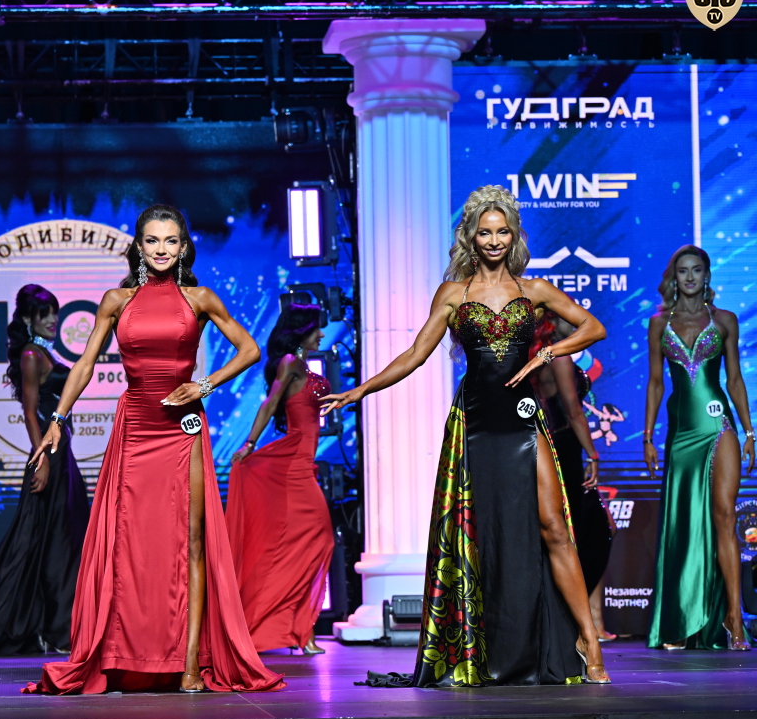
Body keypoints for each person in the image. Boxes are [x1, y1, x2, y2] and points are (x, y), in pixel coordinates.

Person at [321, 185, 611, 687]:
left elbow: (593, 328)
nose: (494, 240)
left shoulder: (535, 290)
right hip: (475, 425)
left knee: (554, 529)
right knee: (479, 537)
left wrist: (546, 354)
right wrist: (362, 389)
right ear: (471, 238)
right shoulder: (453, 294)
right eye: (485, 232)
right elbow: (415, 355)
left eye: (503, 232)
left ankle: (588, 640)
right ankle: (489, 645)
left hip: (522, 418)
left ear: (514, 236)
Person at [23, 205, 284, 694]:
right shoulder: (116, 300)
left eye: (170, 241)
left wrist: (203, 385)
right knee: (130, 547)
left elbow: (249, 349)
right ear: (139, 247)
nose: (161, 249)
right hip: (137, 427)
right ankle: (124, 657)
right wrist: (58, 419)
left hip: (182, 429)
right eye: (152, 240)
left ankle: (190, 665)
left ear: (183, 247)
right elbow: (83, 365)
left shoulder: (199, 298)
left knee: (191, 544)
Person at [0, 285, 90, 655]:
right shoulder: (30, 355)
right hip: (50, 455)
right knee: (52, 545)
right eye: (45, 314)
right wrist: (41, 460)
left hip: (62, 453)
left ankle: (55, 629)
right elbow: (29, 411)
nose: (54, 320)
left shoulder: (42, 352)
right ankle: (54, 632)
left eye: (55, 313)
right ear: (28, 319)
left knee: (63, 542)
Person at [643, 245, 755, 651]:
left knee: (724, 517)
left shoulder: (724, 320)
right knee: (684, 523)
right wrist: (647, 436)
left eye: (696, 270)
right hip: (681, 433)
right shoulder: (659, 323)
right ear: (674, 277)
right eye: (683, 271)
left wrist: (750, 432)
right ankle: (682, 618)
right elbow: (656, 383)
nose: (689, 277)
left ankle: (733, 618)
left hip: (718, 425)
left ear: (707, 275)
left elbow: (735, 380)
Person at [227, 303, 334, 655]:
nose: (322, 334)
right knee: (319, 539)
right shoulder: (290, 362)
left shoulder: (302, 364)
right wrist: (249, 444)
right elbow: (270, 404)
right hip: (293, 468)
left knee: (312, 545)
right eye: (317, 328)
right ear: (302, 330)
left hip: (305, 464)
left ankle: (302, 631)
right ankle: (285, 628)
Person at [530, 310, 615, 642]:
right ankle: (572, 620)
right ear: (553, 321)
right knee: (586, 532)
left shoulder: (542, 356)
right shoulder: (558, 356)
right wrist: (593, 455)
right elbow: (574, 411)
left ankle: (571, 620)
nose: (577, 319)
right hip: (565, 447)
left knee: (577, 532)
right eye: (568, 315)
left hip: (555, 446)